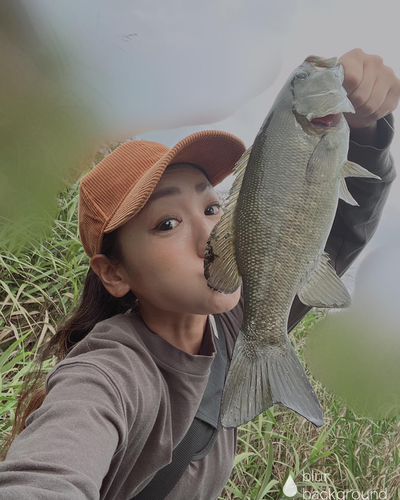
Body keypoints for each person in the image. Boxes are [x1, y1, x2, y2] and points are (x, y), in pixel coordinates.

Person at [0, 48, 398, 500]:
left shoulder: (236, 327)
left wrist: (369, 129)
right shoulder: (107, 374)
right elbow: (44, 478)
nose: (210, 234)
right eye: (167, 223)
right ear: (114, 273)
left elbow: (338, 229)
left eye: (212, 207)